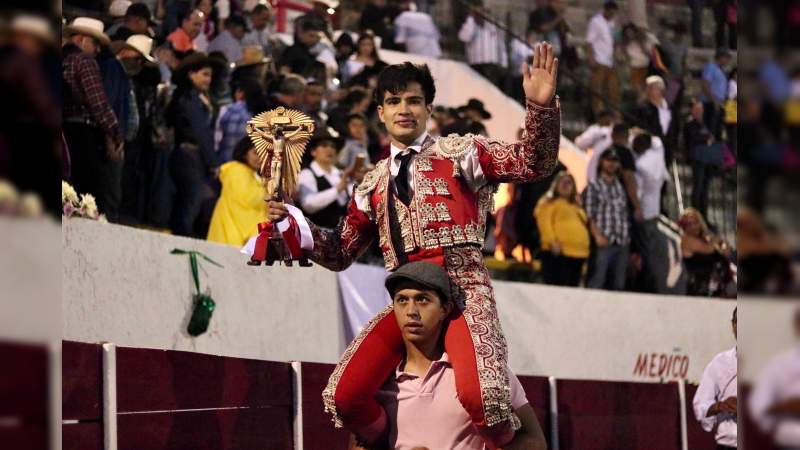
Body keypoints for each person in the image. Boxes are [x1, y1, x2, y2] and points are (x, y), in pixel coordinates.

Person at [264, 44, 560, 447]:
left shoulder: (463, 153)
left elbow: (533, 163)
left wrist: (540, 110)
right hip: (409, 296)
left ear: (428, 109)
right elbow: (339, 253)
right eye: (393, 101)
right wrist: (297, 228)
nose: (404, 108)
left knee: (486, 399)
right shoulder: (371, 182)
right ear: (381, 112)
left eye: (414, 100)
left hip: (462, 292)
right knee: (343, 397)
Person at [350, 261, 547, 450]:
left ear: (445, 309)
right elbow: (359, 445)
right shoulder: (380, 380)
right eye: (402, 300)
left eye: (422, 299)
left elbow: (535, 442)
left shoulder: (481, 371)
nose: (411, 311)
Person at [63, 17, 125, 220]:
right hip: (83, 135)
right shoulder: (84, 61)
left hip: (64, 131)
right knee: (87, 196)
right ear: (81, 40)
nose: (98, 50)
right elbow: (98, 103)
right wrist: (115, 132)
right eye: (96, 43)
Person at [166, 52, 220, 237]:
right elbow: (200, 131)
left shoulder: (197, 96)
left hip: (193, 156)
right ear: (191, 74)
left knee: (194, 203)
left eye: (210, 75)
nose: (209, 79)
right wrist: (213, 162)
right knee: (190, 204)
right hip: (188, 155)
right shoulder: (188, 97)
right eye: (204, 74)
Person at [749, 308, 800, 449]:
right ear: (796, 326)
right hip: (788, 441)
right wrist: (784, 407)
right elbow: (759, 406)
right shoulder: (779, 364)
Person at [584, 148, 630, 290]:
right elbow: (589, 214)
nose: (611, 164)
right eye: (608, 160)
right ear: (601, 162)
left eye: (614, 161)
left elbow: (624, 213)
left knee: (618, 284)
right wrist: (597, 236)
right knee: (597, 280)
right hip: (604, 240)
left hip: (621, 241)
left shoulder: (621, 187)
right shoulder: (594, 186)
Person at [206, 137, 267, 246]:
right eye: (255, 153)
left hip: (233, 238)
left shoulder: (246, 172)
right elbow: (248, 200)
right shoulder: (238, 171)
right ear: (244, 153)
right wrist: (270, 191)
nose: (260, 158)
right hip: (232, 237)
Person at [534, 171, 590, 286]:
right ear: (555, 185)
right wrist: (552, 242)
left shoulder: (576, 206)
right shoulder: (548, 203)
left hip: (579, 255)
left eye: (569, 183)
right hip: (558, 254)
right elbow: (545, 224)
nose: (565, 185)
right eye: (562, 182)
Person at [693, 307, 737, 450]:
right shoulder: (720, 362)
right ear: (733, 326)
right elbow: (700, 406)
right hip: (728, 445)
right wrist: (721, 406)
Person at [631, 132, 669, 293]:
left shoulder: (640, 166)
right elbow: (657, 140)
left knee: (644, 253)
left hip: (644, 213)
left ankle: (646, 285)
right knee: (653, 251)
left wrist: (636, 208)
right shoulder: (658, 154)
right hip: (656, 211)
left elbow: (637, 192)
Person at [298, 133, 354, 230]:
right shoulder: (307, 173)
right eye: (324, 145)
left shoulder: (340, 174)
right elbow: (308, 204)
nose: (330, 149)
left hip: (344, 233)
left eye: (333, 146)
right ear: (313, 152)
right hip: (319, 234)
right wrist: (337, 189)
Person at [678, 207, 732, 297]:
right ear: (684, 227)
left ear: (700, 222)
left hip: (718, 287)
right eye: (688, 224)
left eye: (695, 222)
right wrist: (717, 240)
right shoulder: (686, 240)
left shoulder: (705, 237)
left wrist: (723, 244)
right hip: (700, 290)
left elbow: (726, 251)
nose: (693, 226)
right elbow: (708, 249)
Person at [458, 5, 509, 89]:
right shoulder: (470, 26)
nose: (482, 15)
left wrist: (504, 63)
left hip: (491, 65)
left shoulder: (493, 27)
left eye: (484, 13)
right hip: (475, 64)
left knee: (491, 89)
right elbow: (464, 37)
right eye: (478, 13)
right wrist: (471, 19)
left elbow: (501, 46)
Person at [585, 1, 620, 118]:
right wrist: (591, 58)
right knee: (597, 90)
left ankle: (613, 114)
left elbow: (613, 42)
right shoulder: (595, 22)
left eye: (614, 13)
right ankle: (598, 114)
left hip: (609, 62)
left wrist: (614, 58)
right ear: (605, 10)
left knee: (613, 90)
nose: (612, 15)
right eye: (610, 12)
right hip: (599, 60)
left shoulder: (612, 23)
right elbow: (589, 42)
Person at [215, 77, 262, 163]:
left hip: (224, 162)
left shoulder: (227, 110)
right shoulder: (258, 115)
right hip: (245, 164)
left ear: (241, 93)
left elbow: (216, 139)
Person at [683, 98, 715, 218]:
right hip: (697, 159)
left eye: (701, 109)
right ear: (691, 110)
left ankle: (704, 216)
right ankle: (695, 216)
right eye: (696, 109)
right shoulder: (689, 124)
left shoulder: (704, 123)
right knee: (698, 188)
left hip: (707, 159)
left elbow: (711, 136)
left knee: (705, 189)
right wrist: (706, 138)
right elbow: (696, 137)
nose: (699, 112)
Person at [637, 75, 677, 162]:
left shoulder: (670, 108)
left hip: (667, 149)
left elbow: (674, 128)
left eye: (651, 88)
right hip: (649, 150)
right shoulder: (643, 108)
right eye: (647, 88)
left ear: (661, 90)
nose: (648, 90)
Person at [701, 48, 733, 140]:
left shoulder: (721, 70)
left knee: (718, 130)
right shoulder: (711, 67)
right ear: (720, 57)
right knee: (711, 129)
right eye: (726, 58)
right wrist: (713, 100)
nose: (727, 61)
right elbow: (705, 84)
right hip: (711, 103)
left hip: (719, 104)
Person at [621, 23, 654, 94]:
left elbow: (649, 54)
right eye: (628, 33)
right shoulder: (626, 45)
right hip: (635, 67)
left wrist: (642, 46)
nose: (630, 34)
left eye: (631, 32)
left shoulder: (642, 41)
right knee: (638, 87)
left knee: (645, 86)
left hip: (645, 66)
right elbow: (626, 58)